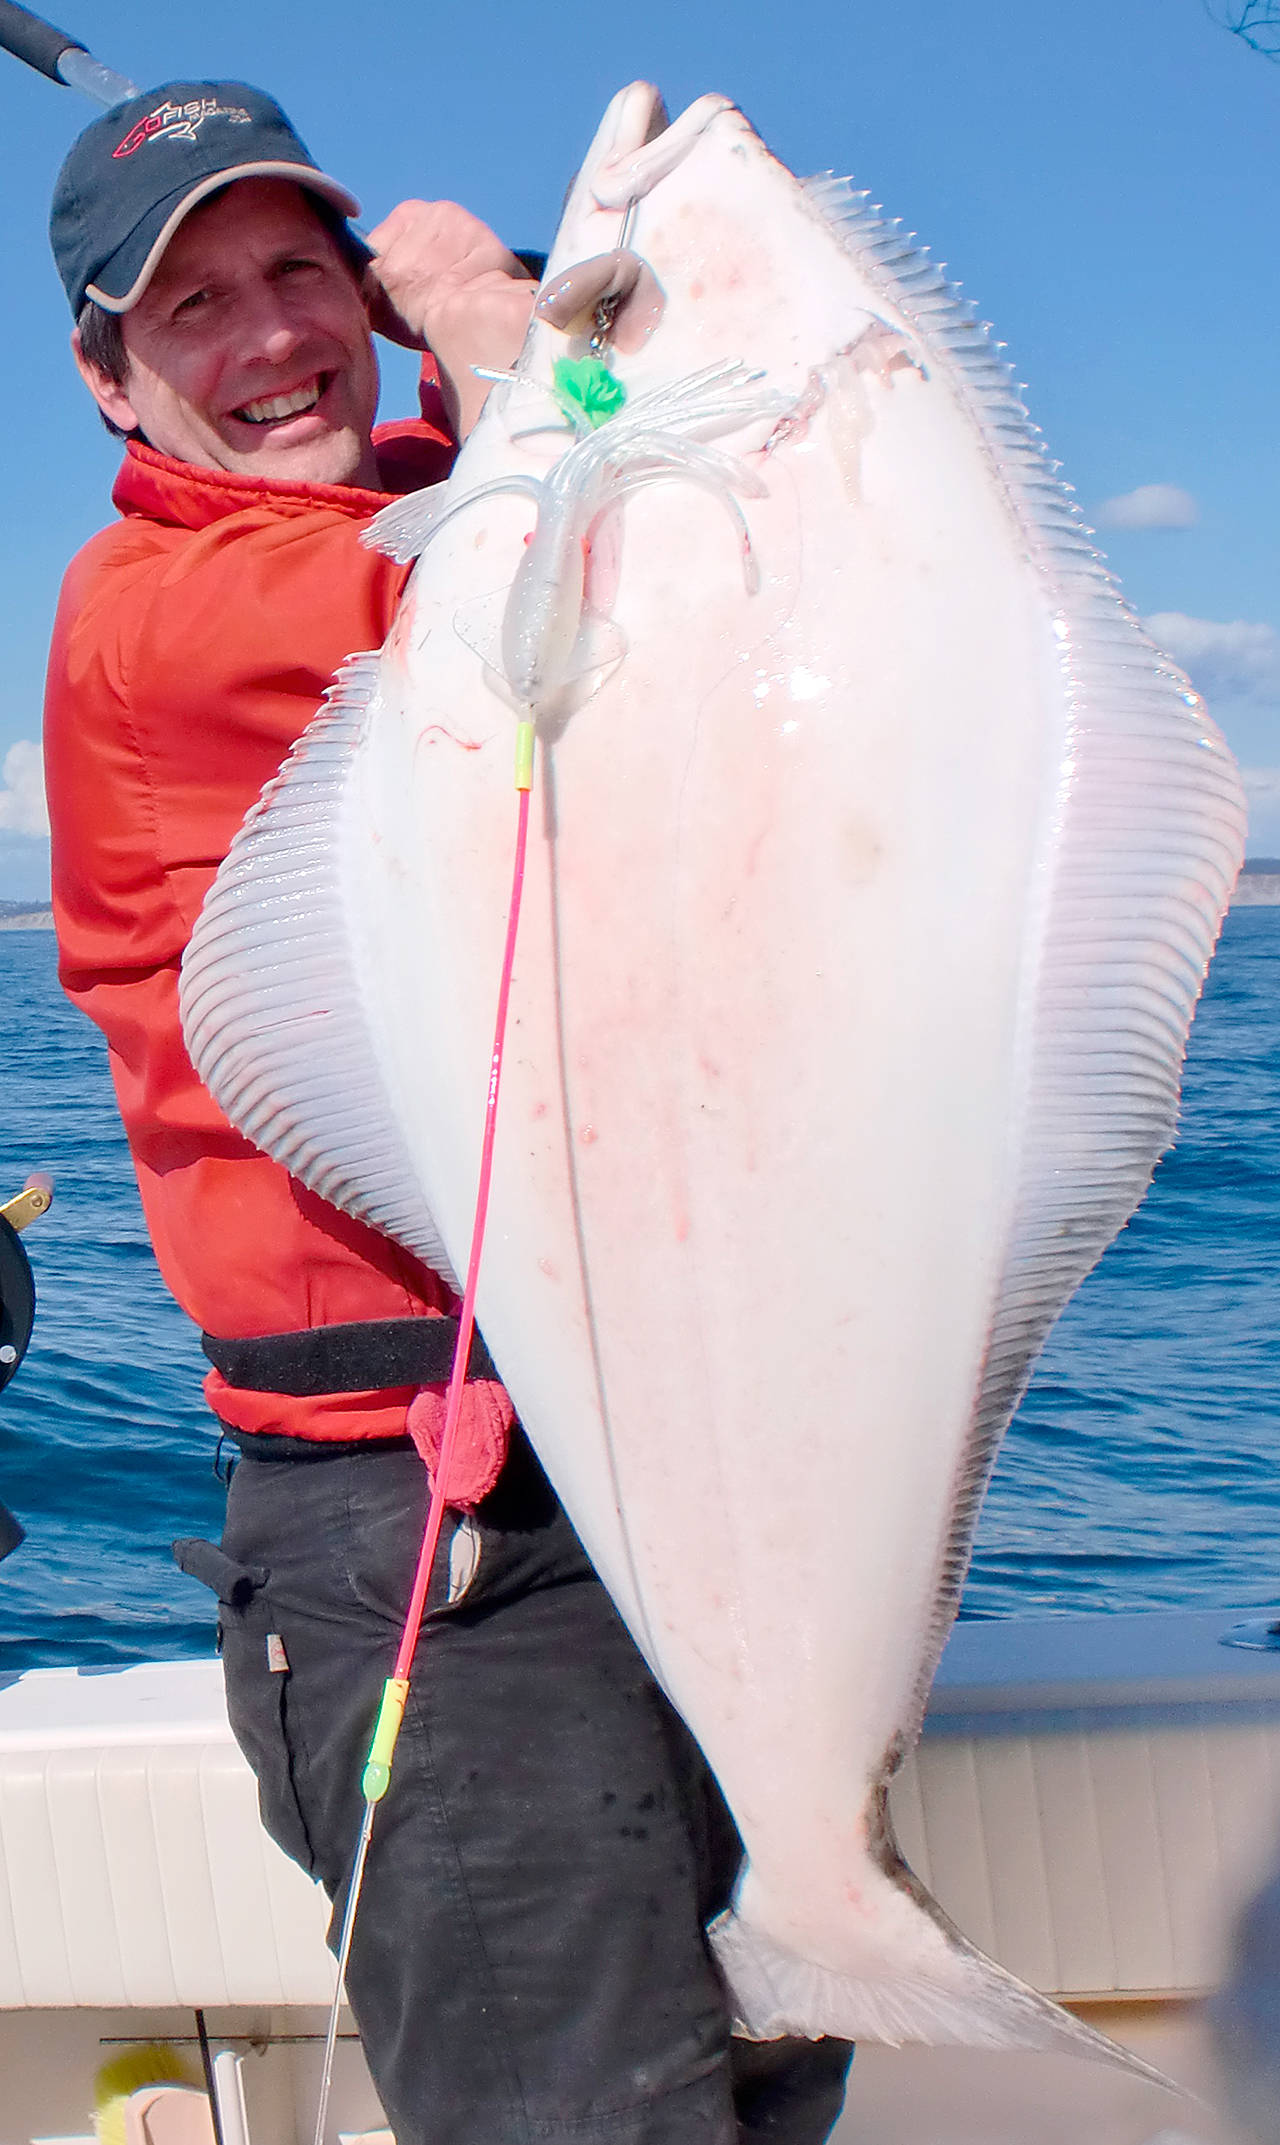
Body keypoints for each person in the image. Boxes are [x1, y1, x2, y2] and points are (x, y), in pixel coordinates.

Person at [43, 81, 853, 2145]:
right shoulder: (150, 627)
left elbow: (731, 532)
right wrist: (504, 338)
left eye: (299, 272)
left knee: (765, 2077)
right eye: (192, 304)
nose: (271, 338)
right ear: (107, 377)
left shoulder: (456, 474)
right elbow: (477, 618)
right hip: (428, 1532)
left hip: (660, 1462)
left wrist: (563, 334)